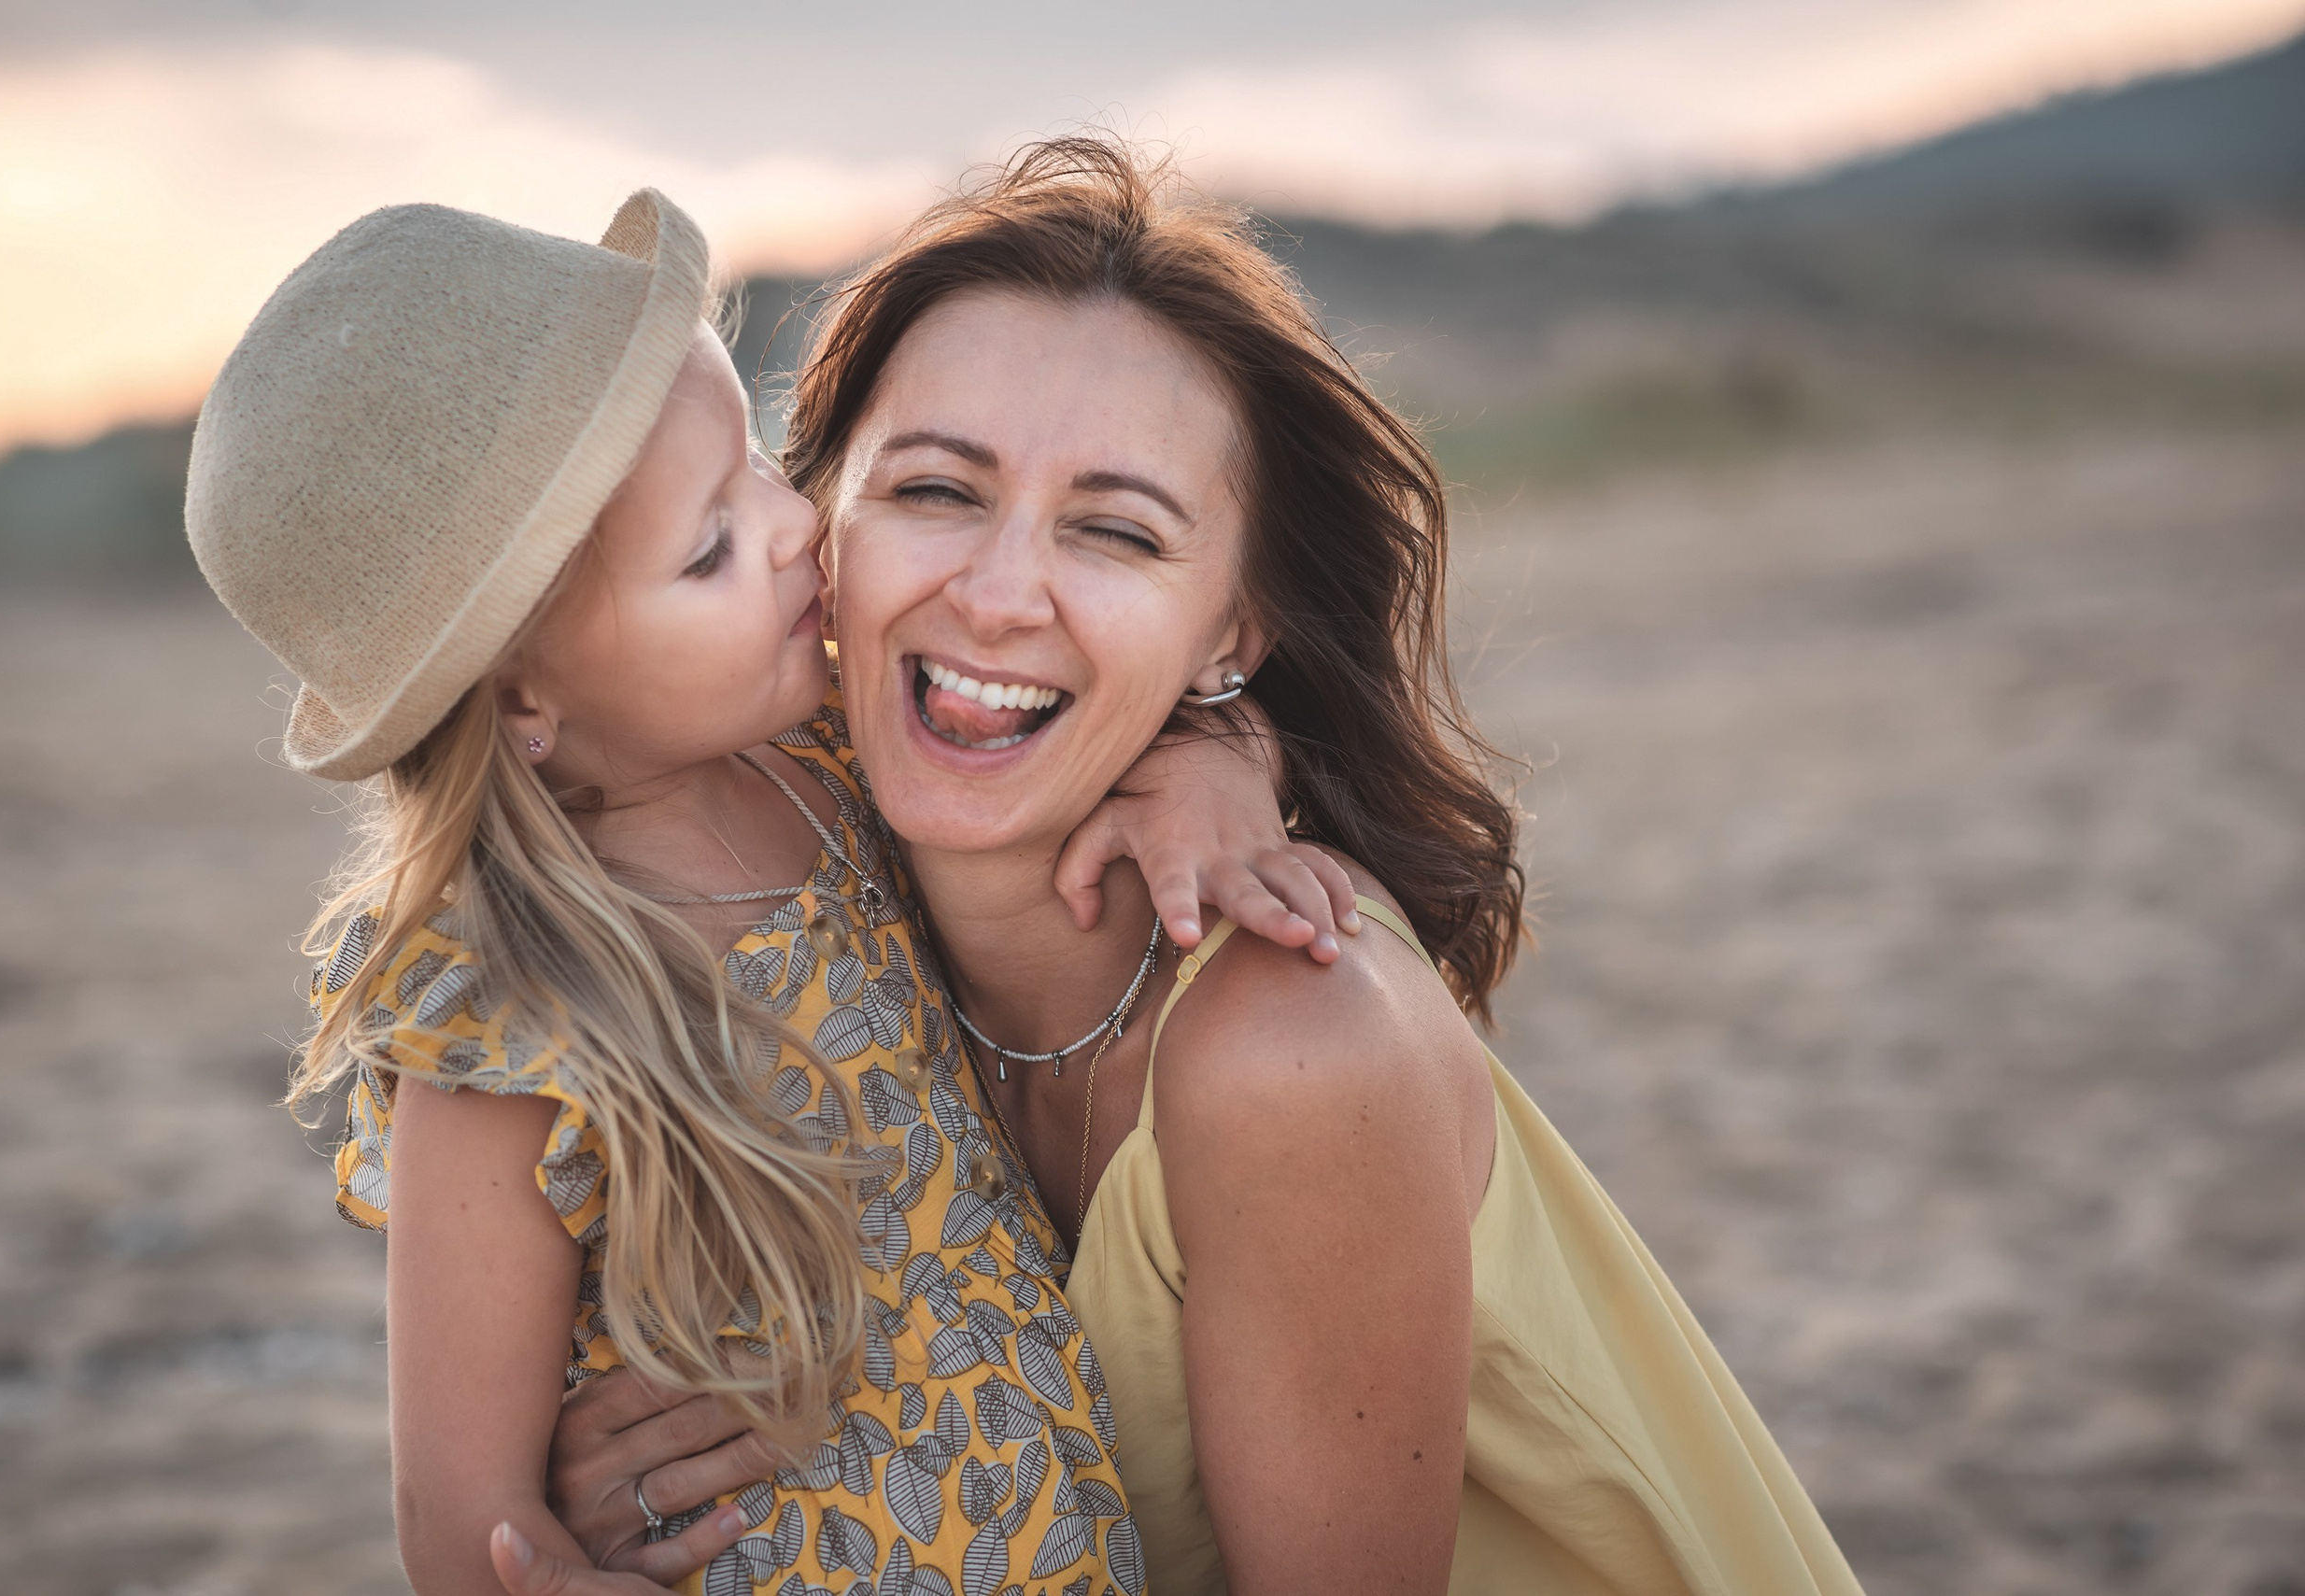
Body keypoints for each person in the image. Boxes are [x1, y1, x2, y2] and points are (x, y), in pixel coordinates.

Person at [523, 140, 1865, 1596]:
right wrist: (620, 1498)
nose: (993, 593)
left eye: (1114, 530)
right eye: (933, 491)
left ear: (1234, 633)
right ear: (817, 524)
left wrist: (1234, 751)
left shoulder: (1292, 1045)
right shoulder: (784, 887)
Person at [185, 188, 1355, 1596]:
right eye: (709, 547)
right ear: (522, 694)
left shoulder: (834, 753)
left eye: (753, 467)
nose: (796, 526)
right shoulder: (515, 1016)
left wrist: (1224, 762)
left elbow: (1130, 695)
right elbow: (461, 1516)